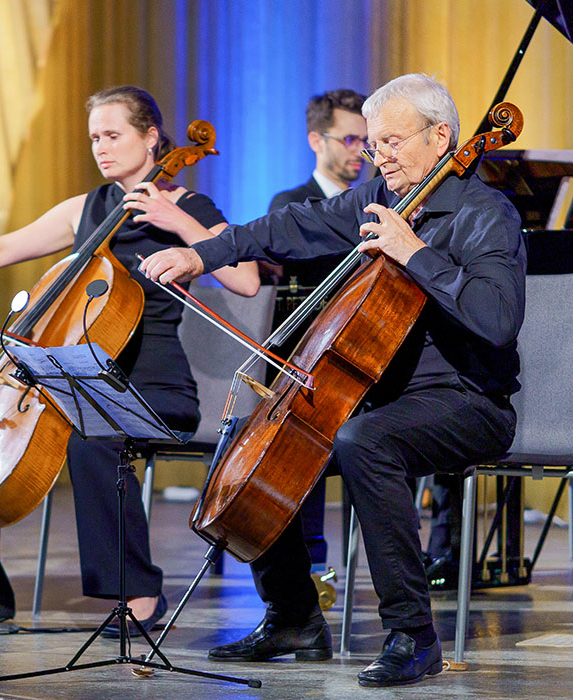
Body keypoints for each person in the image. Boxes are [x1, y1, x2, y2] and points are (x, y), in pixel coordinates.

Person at [139, 73, 524, 687]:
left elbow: (497, 321)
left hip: (469, 400)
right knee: (261, 434)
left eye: (393, 142)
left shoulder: (485, 215)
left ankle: (413, 634)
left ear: (442, 136)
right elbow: (289, 226)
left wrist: (413, 254)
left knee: (366, 440)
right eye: (374, 145)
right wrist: (201, 255)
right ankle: (293, 615)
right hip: (384, 397)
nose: (380, 157)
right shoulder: (382, 200)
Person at [0, 85, 258, 634]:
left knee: (93, 442)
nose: (101, 148)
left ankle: (136, 594)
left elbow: (245, 280)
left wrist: (177, 223)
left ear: (152, 138)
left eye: (113, 135)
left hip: (152, 386)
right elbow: (2, 248)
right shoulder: (90, 208)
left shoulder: (191, 208)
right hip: (76, 378)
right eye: (93, 139)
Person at [266, 88, 368, 575]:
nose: (360, 152)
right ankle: (309, 562)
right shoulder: (292, 204)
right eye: (349, 139)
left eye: (366, 141)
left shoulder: (383, 203)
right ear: (316, 140)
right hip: (310, 355)